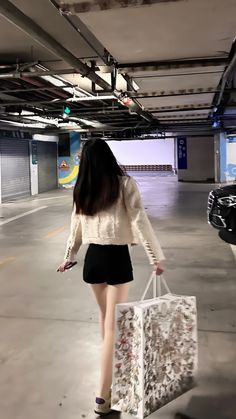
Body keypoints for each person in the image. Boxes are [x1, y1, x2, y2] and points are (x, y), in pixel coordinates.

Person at [57, 138, 165, 415]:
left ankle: (108, 383)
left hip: (93, 260)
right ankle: (102, 397)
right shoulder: (124, 184)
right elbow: (140, 220)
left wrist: (69, 257)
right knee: (112, 328)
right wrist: (156, 258)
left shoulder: (81, 188)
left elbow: (75, 227)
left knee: (106, 322)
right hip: (117, 259)